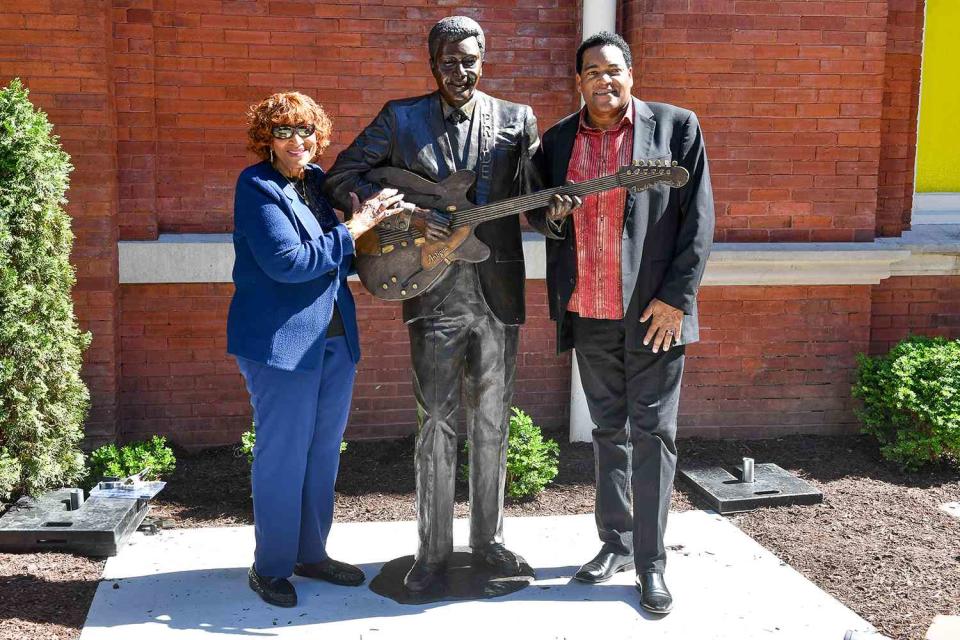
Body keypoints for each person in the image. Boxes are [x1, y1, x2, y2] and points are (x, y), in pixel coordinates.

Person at [323, 16, 549, 592]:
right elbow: (341, 176)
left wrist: (561, 210)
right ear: (433, 64)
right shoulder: (401, 119)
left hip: (497, 294)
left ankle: (491, 542)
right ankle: (432, 550)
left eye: (470, 61)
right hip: (429, 288)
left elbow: (539, 206)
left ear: (484, 61)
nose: (462, 72)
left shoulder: (516, 120)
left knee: (493, 422)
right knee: (436, 425)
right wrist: (406, 214)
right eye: (450, 62)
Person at [533, 31, 715, 614]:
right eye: (592, 73)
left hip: (653, 314)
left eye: (614, 70)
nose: (603, 81)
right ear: (578, 81)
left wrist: (676, 299)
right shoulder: (558, 141)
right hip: (590, 311)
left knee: (653, 434)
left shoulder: (675, 128)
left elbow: (698, 221)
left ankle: (651, 563)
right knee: (607, 432)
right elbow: (540, 211)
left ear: (630, 74)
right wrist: (553, 216)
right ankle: (614, 541)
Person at [228, 91, 405, 607]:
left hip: (333, 340)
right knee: (282, 456)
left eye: (306, 131)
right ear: (267, 139)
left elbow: (339, 260)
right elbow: (289, 262)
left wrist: (377, 227)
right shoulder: (256, 186)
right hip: (280, 346)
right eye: (284, 132)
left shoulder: (314, 184)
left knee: (323, 453)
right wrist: (354, 229)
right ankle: (271, 567)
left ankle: (312, 553)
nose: (297, 141)